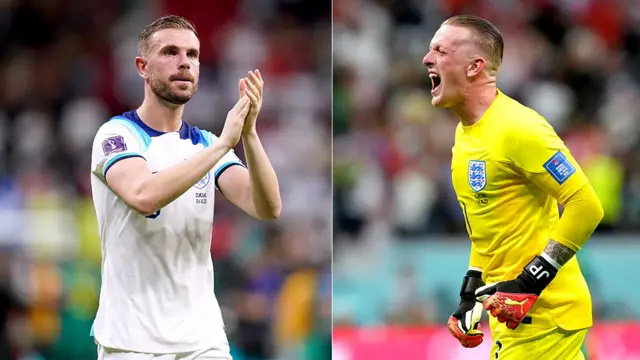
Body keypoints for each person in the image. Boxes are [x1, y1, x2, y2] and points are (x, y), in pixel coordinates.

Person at [89, 15, 281, 360]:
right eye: (170, 52)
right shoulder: (117, 135)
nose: (184, 63)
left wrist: (248, 135)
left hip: (202, 339)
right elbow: (144, 196)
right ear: (142, 67)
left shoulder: (204, 144)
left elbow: (266, 207)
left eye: (192, 55)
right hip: (131, 341)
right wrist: (223, 145)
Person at [423, 15, 604, 360]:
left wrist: (530, 283)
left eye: (440, 50)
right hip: (517, 320)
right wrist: (470, 295)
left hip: (545, 318)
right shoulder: (466, 134)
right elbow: (488, 231)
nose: (427, 58)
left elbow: (586, 204)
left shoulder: (519, 128)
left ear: (475, 66)